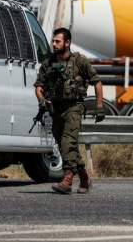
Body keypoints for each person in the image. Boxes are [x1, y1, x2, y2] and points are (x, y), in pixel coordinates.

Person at [34, 27, 104, 195]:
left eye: (57, 41)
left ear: (67, 43)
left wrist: (99, 107)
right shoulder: (48, 63)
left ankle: (67, 180)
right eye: (53, 41)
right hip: (57, 109)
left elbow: (97, 82)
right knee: (65, 146)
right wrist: (42, 100)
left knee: (67, 142)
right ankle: (84, 177)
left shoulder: (79, 61)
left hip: (74, 107)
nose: (54, 44)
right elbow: (38, 86)